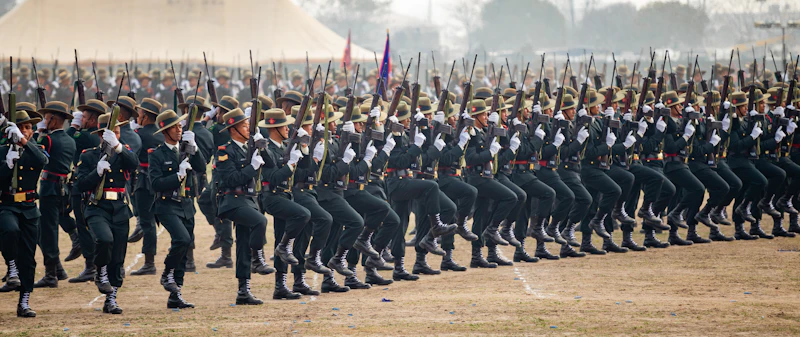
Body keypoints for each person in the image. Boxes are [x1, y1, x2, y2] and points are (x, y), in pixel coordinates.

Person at [75, 113, 139, 314]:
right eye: (112, 133)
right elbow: (80, 184)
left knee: (118, 256)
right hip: (97, 207)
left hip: (119, 208)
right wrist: (97, 172)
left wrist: (118, 146)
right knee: (104, 239)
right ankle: (100, 271)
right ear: (100, 134)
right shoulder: (88, 156)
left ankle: (111, 299)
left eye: (118, 132)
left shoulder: (123, 152)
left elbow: (134, 163)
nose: (116, 135)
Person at [149, 109, 206, 308]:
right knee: (181, 239)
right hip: (166, 204)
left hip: (186, 204)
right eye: (174, 127)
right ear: (165, 131)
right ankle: (167, 274)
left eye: (180, 126)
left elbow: (201, 167)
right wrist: (177, 176)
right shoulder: (157, 154)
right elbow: (155, 184)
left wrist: (194, 147)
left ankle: (176, 294)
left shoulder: (186, 149)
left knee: (185, 245)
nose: (178, 129)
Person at [214, 108, 270, 305]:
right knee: (260, 221)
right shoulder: (225, 151)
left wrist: (262, 146)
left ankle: (243, 290)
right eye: (245, 126)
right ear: (233, 129)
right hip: (232, 201)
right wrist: (251, 168)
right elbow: (230, 179)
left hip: (249, 200)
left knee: (244, 243)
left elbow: (271, 164)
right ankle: (258, 258)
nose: (248, 129)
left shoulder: (250, 148)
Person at [0, 110, 47, 317]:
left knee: (28, 258)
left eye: (28, 128)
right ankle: (11, 266)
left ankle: (24, 301)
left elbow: (43, 161)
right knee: (10, 230)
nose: (25, 131)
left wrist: (23, 142)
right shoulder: (2, 151)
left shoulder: (35, 150)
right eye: (20, 127)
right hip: (6, 205)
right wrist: (7, 164)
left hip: (28, 208)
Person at [33, 102, 76, 288]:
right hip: (62, 188)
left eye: (46, 118)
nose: (44, 121)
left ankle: (51, 274)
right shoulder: (70, 140)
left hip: (50, 188)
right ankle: (57, 268)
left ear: (53, 119)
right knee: (48, 228)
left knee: (48, 230)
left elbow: (35, 155)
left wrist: (38, 134)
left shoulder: (48, 140)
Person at [67, 99, 105, 283]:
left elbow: (66, 139)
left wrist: (73, 127)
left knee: (84, 227)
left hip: (83, 185)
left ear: (92, 121)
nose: (80, 119)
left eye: (83, 117)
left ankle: (91, 266)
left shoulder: (85, 136)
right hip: (91, 184)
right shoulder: (91, 136)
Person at [128, 98, 165, 275]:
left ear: (145, 116)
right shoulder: (161, 134)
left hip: (144, 181)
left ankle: (149, 263)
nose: (137, 116)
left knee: (147, 222)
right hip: (159, 181)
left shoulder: (139, 135)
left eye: (140, 114)